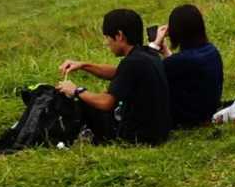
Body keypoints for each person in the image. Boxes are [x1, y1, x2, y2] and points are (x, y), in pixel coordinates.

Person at [57, 8, 171, 145]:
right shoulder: (148, 54)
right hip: (159, 131)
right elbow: (119, 72)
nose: (106, 42)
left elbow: (106, 103)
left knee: (82, 103)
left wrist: (76, 90)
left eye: (107, 37)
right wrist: (83, 65)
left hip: (139, 136)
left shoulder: (132, 63)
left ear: (119, 35)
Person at [150, 3, 223, 129]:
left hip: (188, 118)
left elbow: (145, 70)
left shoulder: (181, 61)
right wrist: (165, 51)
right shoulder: (211, 50)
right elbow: (181, 69)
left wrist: (154, 44)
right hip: (208, 110)